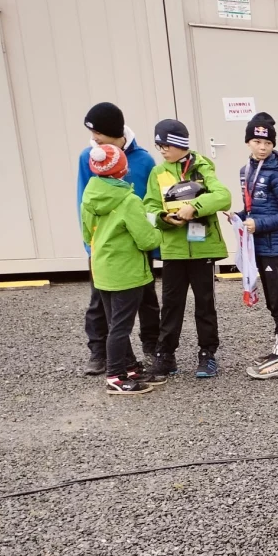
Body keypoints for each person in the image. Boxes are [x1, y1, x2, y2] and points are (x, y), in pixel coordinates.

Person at [77, 102, 160, 377]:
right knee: (100, 303)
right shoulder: (88, 156)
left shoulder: (144, 160)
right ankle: (100, 354)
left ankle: (150, 347)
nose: (94, 139)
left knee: (146, 299)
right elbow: (85, 200)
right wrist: (91, 246)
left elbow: (152, 200)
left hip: (136, 245)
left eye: (98, 133)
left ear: (114, 132)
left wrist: (153, 244)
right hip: (105, 249)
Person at [144, 119, 232, 380]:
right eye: (158, 145)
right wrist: (163, 218)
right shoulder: (157, 173)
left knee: (205, 303)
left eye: (166, 144)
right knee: (171, 304)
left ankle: (207, 354)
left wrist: (195, 207)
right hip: (173, 249)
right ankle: (165, 355)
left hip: (202, 248)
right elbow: (148, 206)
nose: (162, 150)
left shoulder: (202, 167)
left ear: (180, 144)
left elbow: (223, 196)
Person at [236, 112, 278, 379]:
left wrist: (258, 225)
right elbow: (254, 208)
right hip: (256, 247)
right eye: (257, 141)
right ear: (248, 142)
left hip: (274, 246)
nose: (262, 147)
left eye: (268, 143)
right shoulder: (246, 171)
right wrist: (239, 217)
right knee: (272, 301)